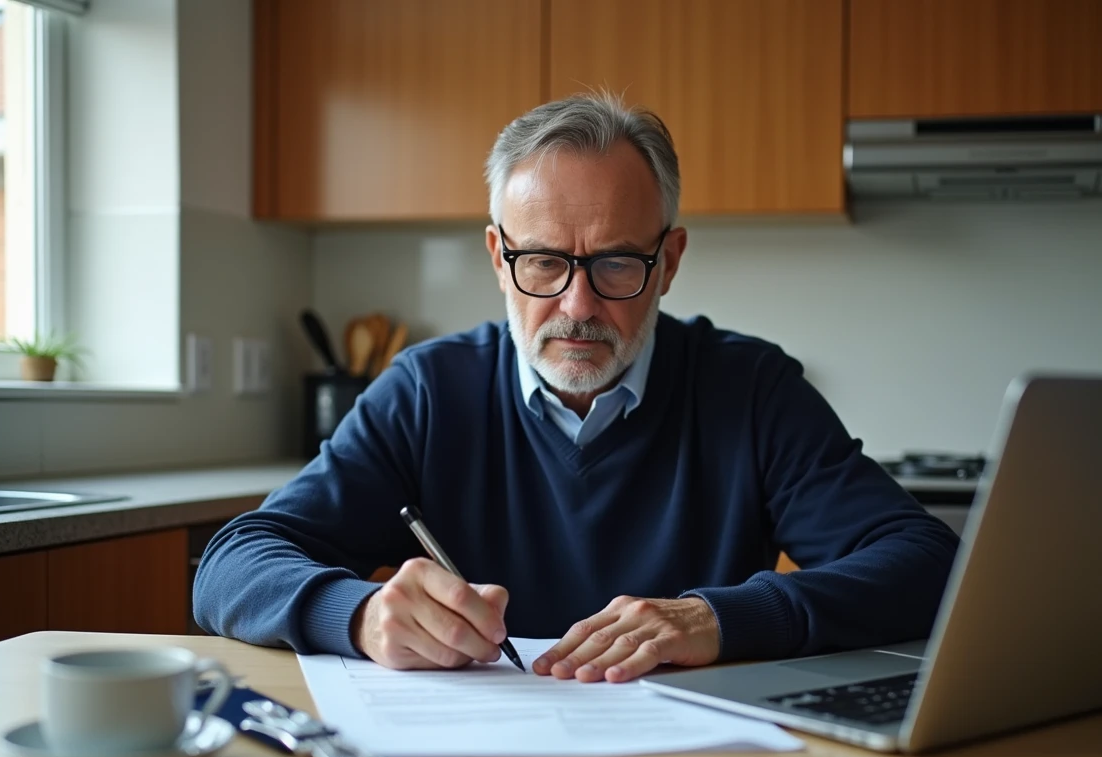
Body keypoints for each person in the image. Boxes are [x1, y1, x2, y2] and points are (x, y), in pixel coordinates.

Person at [194, 93, 958, 684]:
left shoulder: (751, 388)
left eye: (618, 263)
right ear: (498, 256)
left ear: (669, 261)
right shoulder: (429, 390)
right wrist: (356, 613)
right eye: (543, 262)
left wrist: (722, 618)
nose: (578, 306)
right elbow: (236, 561)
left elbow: (926, 562)